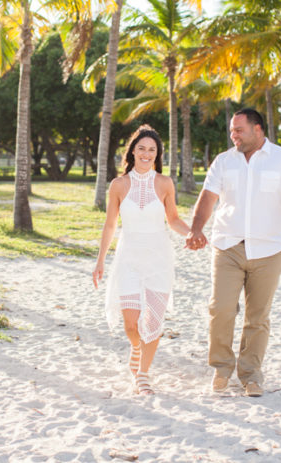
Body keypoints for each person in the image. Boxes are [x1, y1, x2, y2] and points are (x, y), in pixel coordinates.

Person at [186, 108, 281, 397]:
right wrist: (196, 228)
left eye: (239, 129)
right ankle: (221, 367)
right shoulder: (224, 161)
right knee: (221, 309)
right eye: (232, 130)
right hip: (228, 246)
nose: (234, 135)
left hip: (268, 250)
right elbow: (208, 198)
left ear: (258, 130)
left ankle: (251, 375)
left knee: (258, 316)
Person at [93, 125, 191, 395]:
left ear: (157, 154)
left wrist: (193, 233)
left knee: (154, 321)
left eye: (152, 149)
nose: (147, 154)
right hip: (129, 258)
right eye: (142, 148)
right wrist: (100, 260)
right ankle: (136, 348)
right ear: (132, 151)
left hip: (159, 257)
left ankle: (144, 374)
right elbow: (110, 225)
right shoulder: (118, 185)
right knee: (131, 324)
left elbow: (172, 219)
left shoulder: (165, 183)